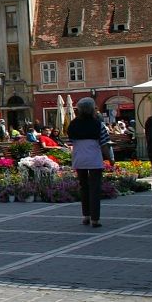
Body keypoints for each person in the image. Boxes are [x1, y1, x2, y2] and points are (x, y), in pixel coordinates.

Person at [68, 97, 110, 227]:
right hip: (94, 158)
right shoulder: (98, 124)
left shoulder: (73, 124)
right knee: (95, 188)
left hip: (79, 158)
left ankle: (86, 216)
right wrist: (109, 157)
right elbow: (104, 143)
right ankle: (95, 219)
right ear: (92, 109)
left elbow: (70, 142)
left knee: (83, 187)